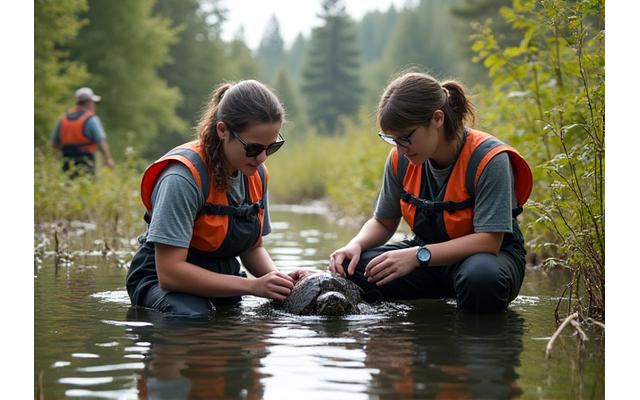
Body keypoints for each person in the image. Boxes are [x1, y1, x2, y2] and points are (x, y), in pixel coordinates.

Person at [329, 72, 533, 313]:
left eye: (405, 138)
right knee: (353, 268)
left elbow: (489, 241)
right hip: (428, 259)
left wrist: (417, 256)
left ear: (437, 119)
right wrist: (355, 245)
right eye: (392, 140)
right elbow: (384, 223)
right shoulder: (401, 158)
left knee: (481, 278)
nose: (400, 149)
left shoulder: (490, 160)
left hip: (488, 258)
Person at [126, 79, 309, 318]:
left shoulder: (255, 173)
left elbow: (253, 248)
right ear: (222, 130)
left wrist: (281, 283)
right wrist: (252, 287)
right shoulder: (181, 179)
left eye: (271, 147)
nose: (263, 157)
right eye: (254, 148)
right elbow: (170, 273)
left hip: (222, 279)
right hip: (160, 283)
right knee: (193, 315)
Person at [51, 87, 115, 175]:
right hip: (86, 162)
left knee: (68, 185)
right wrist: (107, 160)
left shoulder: (63, 119)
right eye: (93, 102)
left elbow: (54, 144)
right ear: (88, 102)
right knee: (87, 186)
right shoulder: (91, 119)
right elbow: (101, 142)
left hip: (66, 161)